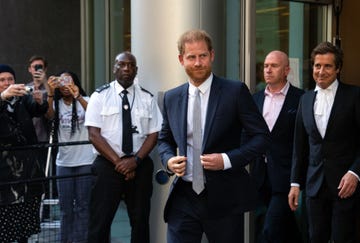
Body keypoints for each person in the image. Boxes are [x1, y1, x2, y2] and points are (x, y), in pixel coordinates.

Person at [157, 29, 270, 243]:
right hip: (183, 196)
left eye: (203, 56)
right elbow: (164, 140)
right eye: (192, 57)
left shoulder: (234, 91)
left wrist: (226, 160)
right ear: (181, 59)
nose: (198, 63)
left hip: (224, 197)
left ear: (212, 55)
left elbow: (262, 137)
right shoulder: (171, 98)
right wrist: (169, 160)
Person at [85, 51, 163, 243]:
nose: (126, 68)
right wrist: (120, 163)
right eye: (122, 64)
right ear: (114, 68)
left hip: (140, 164)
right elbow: (94, 134)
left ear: (136, 70)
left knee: (140, 222)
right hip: (107, 165)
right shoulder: (99, 96)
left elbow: (154, 134)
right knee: (100, 221)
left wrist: (135, 161)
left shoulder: (147, 98)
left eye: (131, 65)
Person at [288, 41, 360, 242]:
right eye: (317, 66)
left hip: (345, 186)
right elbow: (299, 146)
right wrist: (295, 183)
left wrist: (355, 173)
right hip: (314, 186)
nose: (321, 71)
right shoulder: (306, 99)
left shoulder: (354, 96)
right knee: (315, 237)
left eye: (327, 66)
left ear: (338, 68)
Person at [251, 50, 304, 243]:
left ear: (287, 70)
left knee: (269, 230)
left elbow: (303, 141)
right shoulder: (254, 99)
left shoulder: (301, 99)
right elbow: (246, 135)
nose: (268, 70)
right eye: (266, 66)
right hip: (259, 175)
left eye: (274, 66)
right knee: (284, 228)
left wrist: (297, 180)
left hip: (286, 177)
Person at [0, 64, 48, 242]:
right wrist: (3, 97)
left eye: (10, 79)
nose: (7, 83)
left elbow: (39, 110)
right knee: (5, 222)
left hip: (28, 169)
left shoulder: (21, 97)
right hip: (4, 172)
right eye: (2, 80)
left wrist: (39, 100)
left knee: (24, 224)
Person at [46, 71, 95, 243]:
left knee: (83, 206)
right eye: (62, 81)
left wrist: (78, 96)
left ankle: (80, 240)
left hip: (86, 160)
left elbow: (94, 115)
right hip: (64, 161)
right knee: (65, 207)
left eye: (69, 81)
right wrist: (50, 93)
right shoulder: (56, 103)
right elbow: (49, 116)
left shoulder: (87, 100)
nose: (65, 85)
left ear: (75, 82)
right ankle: (65, 240)